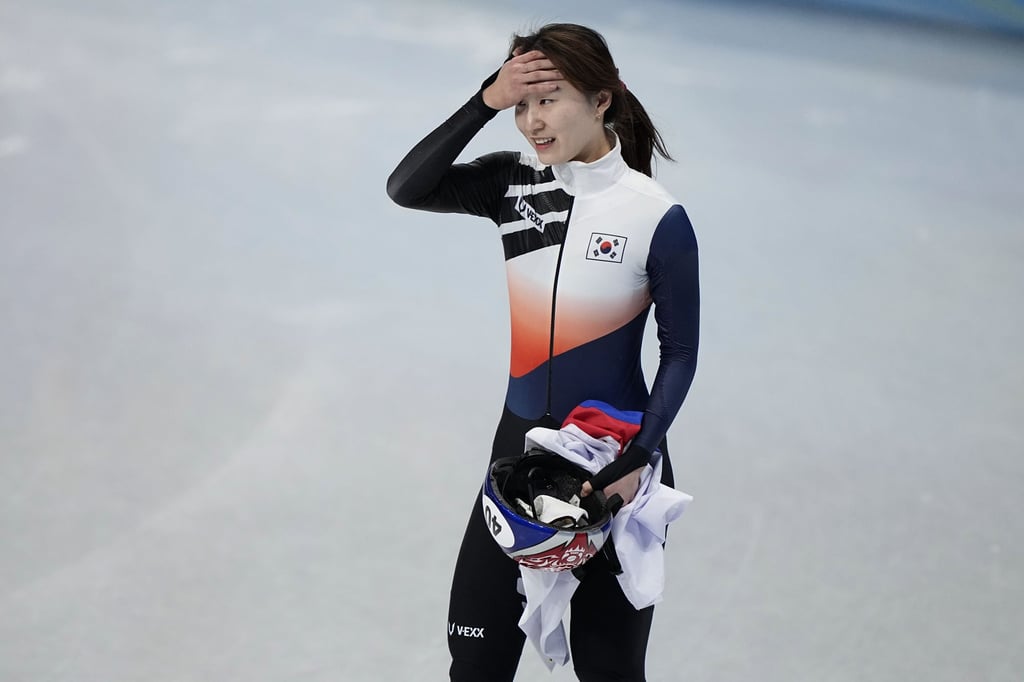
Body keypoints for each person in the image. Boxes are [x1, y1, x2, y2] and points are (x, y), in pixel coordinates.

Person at [386, 22, 699, 682]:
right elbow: (406, 187)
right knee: (474, 663)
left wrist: (640, 459)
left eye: (548, 97)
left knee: (610, 671)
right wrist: (484, 102)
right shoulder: (513, 187)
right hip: (517, 462)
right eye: (521, 103)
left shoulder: (653, 215)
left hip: (613, 466)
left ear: (602, 100)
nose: (531, 119)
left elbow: (679, 353)